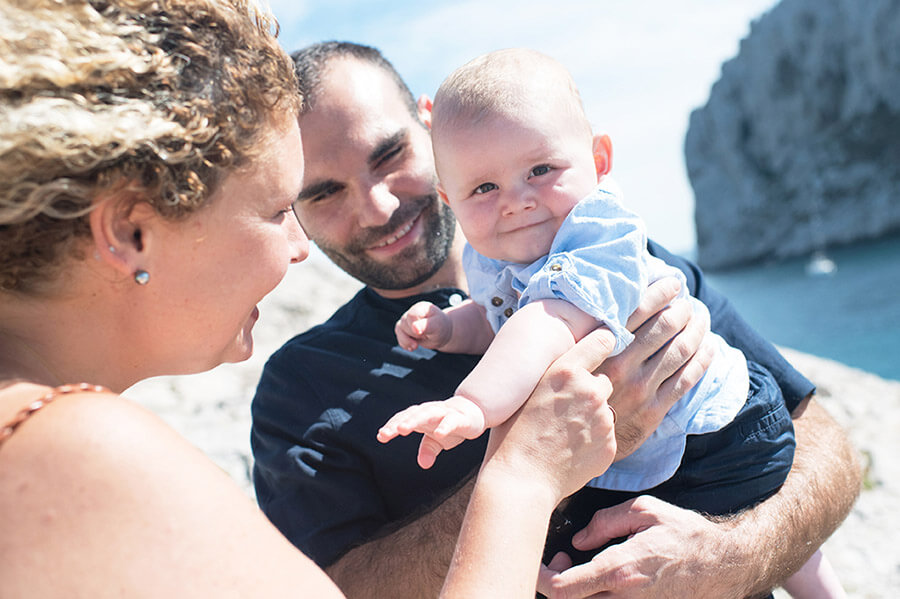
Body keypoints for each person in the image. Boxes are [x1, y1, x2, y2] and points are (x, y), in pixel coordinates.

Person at [0, 3, 620, 597]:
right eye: (278, 210)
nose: (300, 250)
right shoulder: (84, 450)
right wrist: (523, 478)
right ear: (130, 234)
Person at [250, 41, 862, 598]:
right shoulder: (297, 388)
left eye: (389, 154)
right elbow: (338, 588)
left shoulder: (615, 258)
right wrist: (541, 467)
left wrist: (731, 553)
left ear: (430, 126)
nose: (378, 206)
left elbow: (817, 439)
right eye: (322, 192)